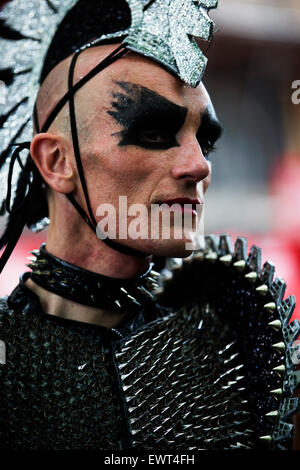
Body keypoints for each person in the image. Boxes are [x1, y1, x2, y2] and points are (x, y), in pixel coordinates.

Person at [0, 0, 299, 451]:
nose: (198, 166)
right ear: (56, 161)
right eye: (155, 134)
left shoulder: (236, 349)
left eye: (205, 141)